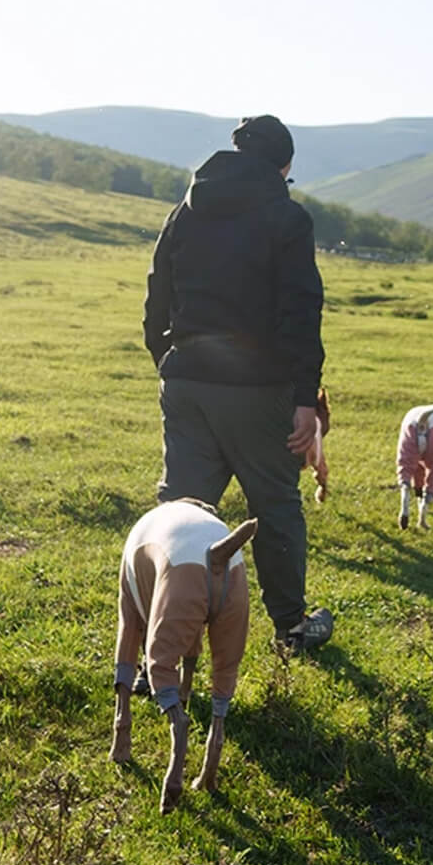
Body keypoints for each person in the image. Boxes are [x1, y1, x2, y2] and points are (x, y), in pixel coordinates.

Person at [142, 114, 333, 657]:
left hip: (187, 381)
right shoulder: (286, 218)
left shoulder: (185, 210)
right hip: (259, 389)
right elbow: (302, 310)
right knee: (273, 506)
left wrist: (168, 358)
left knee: (181, 509)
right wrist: (303, 398)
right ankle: (291, 631)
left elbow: (157, 293)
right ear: (284, 166)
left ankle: (167, 633)